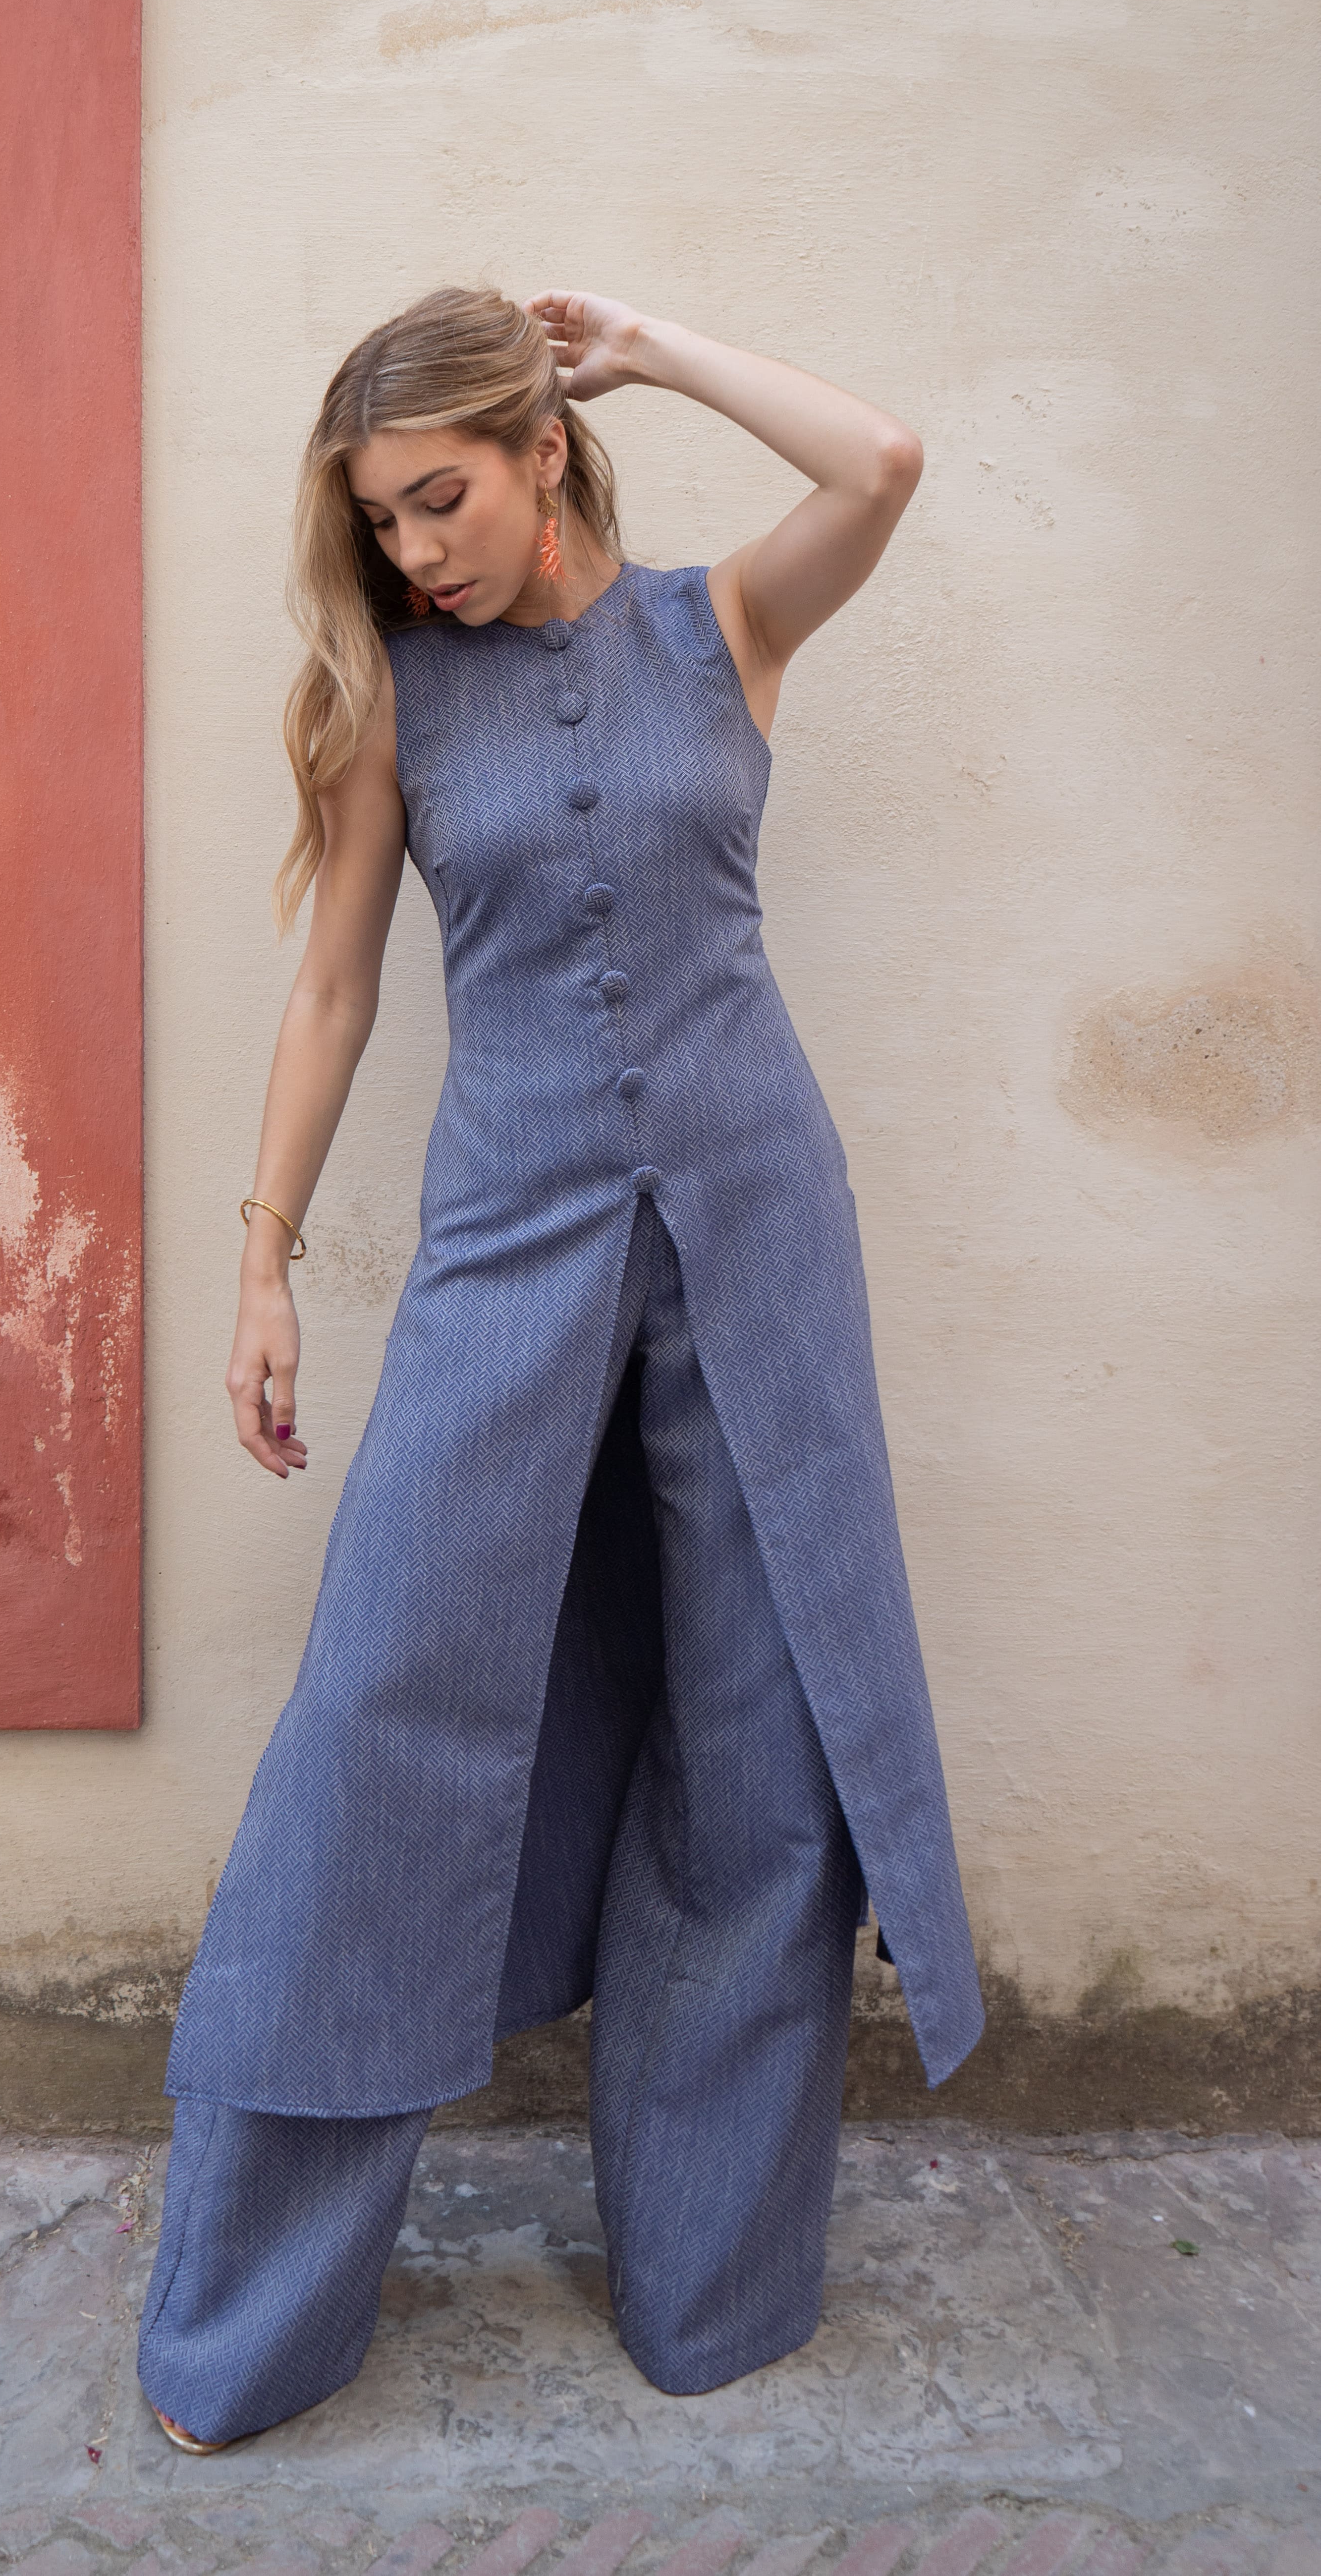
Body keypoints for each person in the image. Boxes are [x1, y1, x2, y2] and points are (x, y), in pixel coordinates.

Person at [138, 285, 985, 2455]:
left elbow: (882, 460)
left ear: (542, 452)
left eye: (443, 498)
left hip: (761, 1233)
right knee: (380, 1719)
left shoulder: (725, 628)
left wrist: (662, 348)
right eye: (382, 519)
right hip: (509, 1242)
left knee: (755, 1742)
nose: (415, 550)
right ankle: (256, 2320)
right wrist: (262, 1266)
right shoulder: (392, 699)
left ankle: (714, 2285)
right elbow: (334, 994)